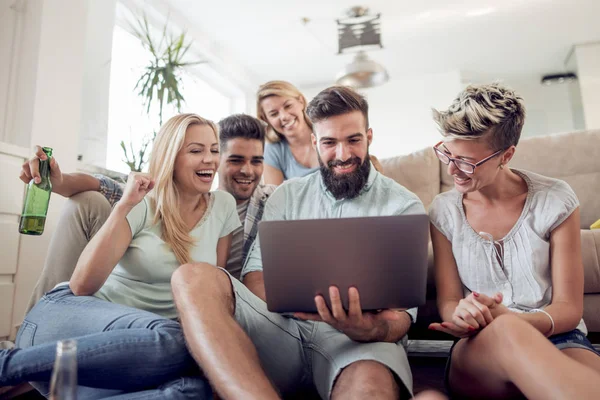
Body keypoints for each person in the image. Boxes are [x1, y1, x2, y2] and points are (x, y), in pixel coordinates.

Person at [170, 86, 426, 400]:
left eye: (354, 140)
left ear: (369, 137)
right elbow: (255, 279)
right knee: (192, 276)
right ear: (316, 142)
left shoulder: (404, 206)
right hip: (282, 333)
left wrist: (368, 328)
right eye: (330, 142)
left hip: (360, 345)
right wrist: (312, 309)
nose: (343, 154)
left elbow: (400, 317)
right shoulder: (286, 195)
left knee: (369, 386)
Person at [3, 113, 240, 399]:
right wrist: (123, 206)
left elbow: (213, 289)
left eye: (214, 150)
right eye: (196, 150)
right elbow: (81, 286)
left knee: (192, 390)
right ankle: (7, 365)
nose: (210, 159)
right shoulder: (143, 202)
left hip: (129, 355)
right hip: (72, 322)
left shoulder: (224, 205)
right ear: (171, 157)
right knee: (178, 340)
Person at [427, 83, 600, 399]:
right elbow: (448, 303)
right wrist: (463, 315)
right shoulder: (443, 211)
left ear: (506, 155)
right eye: (447, 154)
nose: (452, 170)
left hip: (560, 337)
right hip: (479, 346)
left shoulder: (555, 199)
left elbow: (568, 308)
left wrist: (517, 321)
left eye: (467, 161)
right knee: (506, 330)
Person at [21, 114, 276, 312]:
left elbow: (217, 282)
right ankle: (47, 317)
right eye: (235, 160)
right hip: (121, 305)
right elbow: (108, 184)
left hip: (196, 309)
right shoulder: (151, 196)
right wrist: (60, 181)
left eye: (256, 161)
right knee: (86, 201)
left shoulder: (265, 203)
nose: (247, 170)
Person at [256, 80, 383, 185]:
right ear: (266, 119)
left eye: (288, 106)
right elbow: (276, 198)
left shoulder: (330, 130)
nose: (283, 116)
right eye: (274, 113)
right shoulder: (273, 152)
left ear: (300, 101)